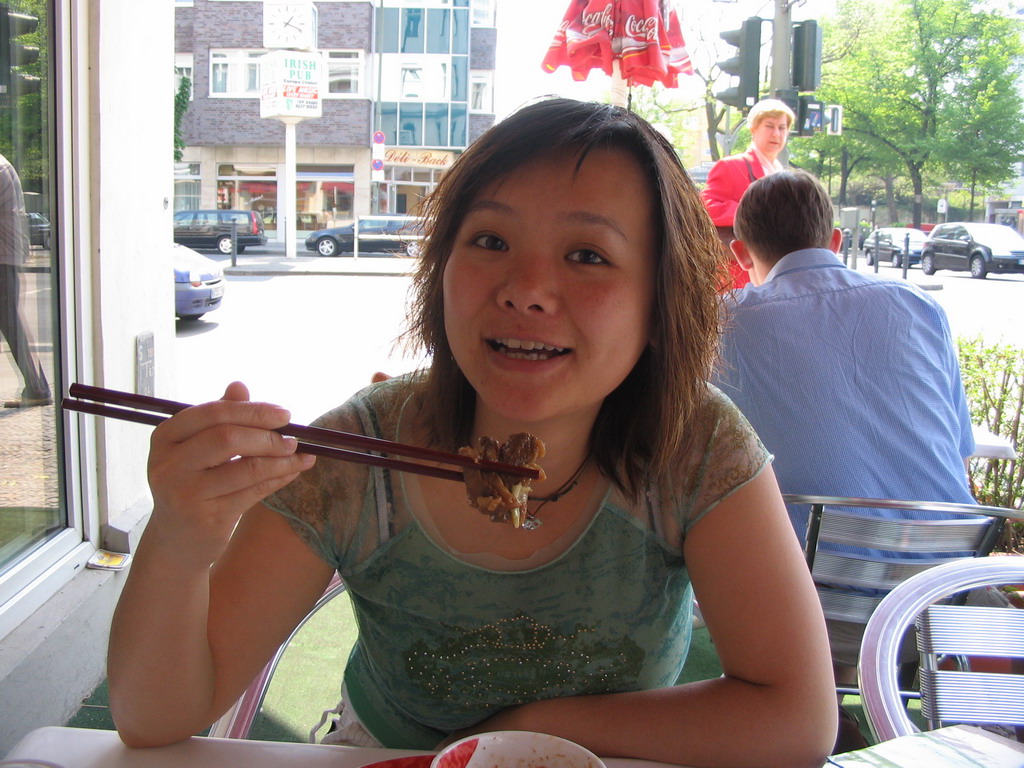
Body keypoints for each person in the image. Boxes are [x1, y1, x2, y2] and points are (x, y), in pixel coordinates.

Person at [107, 99, 836, 768]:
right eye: (489, 239)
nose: (524, 288)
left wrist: (534, 725)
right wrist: (178, 538)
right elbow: (156, 717)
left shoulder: (692, 445)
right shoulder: (353, 457)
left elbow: (796, 716)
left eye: (587, 255)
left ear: (660, 301)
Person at [715, 170, 978, 744]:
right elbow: (958, 456)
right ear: (834, 240)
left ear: (740, 253)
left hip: (809, 614)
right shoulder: (918, 307)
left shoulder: (724, 321)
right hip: (941, 602)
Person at [701, 99, 796, 290]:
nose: (776, 133)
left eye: (782, 127)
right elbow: (706, 206)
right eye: (769, 126)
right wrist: (754, 213)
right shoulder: (731, 166)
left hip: (773, 272)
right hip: (737, 276)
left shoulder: (784, 174)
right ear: (753, 129)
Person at [0, 153, 52, 408]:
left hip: (2, 256)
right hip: (5, 254)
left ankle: (38, 388)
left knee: (11, 323)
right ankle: (36, 388)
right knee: (11, 322)